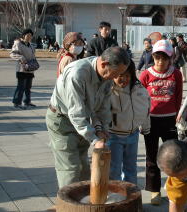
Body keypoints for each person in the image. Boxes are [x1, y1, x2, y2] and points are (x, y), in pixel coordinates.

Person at [46, 47, 130, 189]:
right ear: (104, 64)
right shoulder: (77, 74)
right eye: (115, 74)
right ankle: (69, 206)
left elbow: (102, 108)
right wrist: (95, 139)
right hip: (62, 121)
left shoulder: (107, 76)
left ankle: (84, 203)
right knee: (70, 170)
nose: (116, 78)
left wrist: (102, 128)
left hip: (83, 120)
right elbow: (76, 114)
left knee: (84, 167)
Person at [139, 40, 183, 205]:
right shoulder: (146, 75)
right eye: (157, 58)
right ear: (153, 57)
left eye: (164, 58)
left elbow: (178, 95)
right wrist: (141, 118)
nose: (160, 62)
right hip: (150, 121)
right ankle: (154, 190)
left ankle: (174, 186)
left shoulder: (176, 73)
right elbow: (139, 98)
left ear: (170, 58)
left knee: (174, 155)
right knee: (152, 156)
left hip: (169, 120)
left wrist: (177, 114)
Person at [107, 59, 150, 184]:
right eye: (120, 76)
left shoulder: (139, 89)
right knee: (113, 170)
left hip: (133, 134)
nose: (124, 79)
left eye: (127, 76)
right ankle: (115, 197)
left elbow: (146, 109)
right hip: (113, 136)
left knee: (131, 168)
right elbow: (98, 112)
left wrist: (146, 127)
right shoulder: (107, 90)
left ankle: (131, 196)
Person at [10, 28, 38, 109]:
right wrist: (21, 57)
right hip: (21, 69)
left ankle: (27, 102)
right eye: (27, 35)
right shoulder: (18, 44)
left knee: (28, 87)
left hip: (30, 69)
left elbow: (32, 56)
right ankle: (17, 103)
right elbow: (12, 54)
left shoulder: (31, 45)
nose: (29, 37)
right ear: (23, 35)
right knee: (21, 87)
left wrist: (34, 63)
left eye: (31, 35)